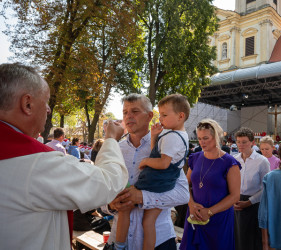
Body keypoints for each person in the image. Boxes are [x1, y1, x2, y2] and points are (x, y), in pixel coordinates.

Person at [0, 62, 128, 249]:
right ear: (27, 104)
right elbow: (109, 182)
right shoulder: (36, 163)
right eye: (46, 102)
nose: (48, 110)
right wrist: (110, 139)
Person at [101, 93, 189, 250]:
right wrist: (110, 204)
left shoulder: (165, 145)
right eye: (125, 112)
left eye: (135, 111)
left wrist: (142, 197)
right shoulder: (115, 149)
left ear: (149, 116)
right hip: (118, 241)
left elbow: (183, 194)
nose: (129, 116)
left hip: (159, 242)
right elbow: (100, 192)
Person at [180, 119, 241, 250]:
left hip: (219, 219)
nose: (201, 142)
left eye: (206, 138)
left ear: (217, 137)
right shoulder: (195, 158)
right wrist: (191, 204)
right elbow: (185, 184)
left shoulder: (229, 162)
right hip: (194, 215)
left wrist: (209, 212)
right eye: (199, 138)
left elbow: (235, 196)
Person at [233, 127, 270, 250]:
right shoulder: (234, 159)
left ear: (252, 143)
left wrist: (249, 202)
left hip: (254, 204)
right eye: (238, 141)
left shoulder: (262, 161)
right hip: (236, 201)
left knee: (252, 240)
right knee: (237, 238)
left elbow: (266, 188)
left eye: (244, 142)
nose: (240, 145)